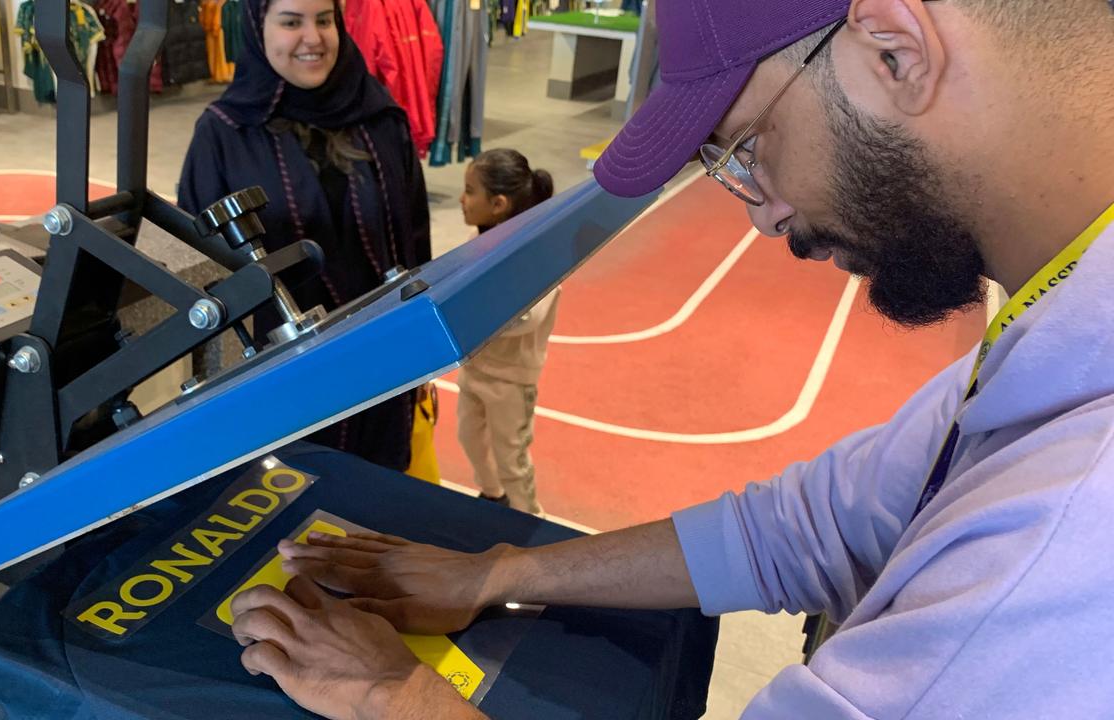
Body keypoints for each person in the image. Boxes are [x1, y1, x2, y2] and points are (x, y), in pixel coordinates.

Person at [226, 0, 1114, 718]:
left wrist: (396, 696)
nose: (763, 216)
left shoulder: (1072, 535)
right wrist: (498, 571)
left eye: (748, 148)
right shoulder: (1058, 327)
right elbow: (817, 523)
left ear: (894, 52)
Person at [178, 0, 432, 473]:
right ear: (258, 28)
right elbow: (202, 281)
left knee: (378, 505)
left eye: (324, 20)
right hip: (280, 391)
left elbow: (416, 241)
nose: (313, 38)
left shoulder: (379, 119)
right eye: (291, 22)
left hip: (382, 370)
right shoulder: (223, 134)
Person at [456, 148, 559, 515]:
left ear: (498, 203)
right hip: (476, 369)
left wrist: (472, 312)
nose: (462, 199)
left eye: (470, 190)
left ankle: (528, 517)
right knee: (468, 437)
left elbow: (527, 317)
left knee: (510, 456)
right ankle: (491, 494)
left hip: (510, 380)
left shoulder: (536, 255)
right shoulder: (479, 243)